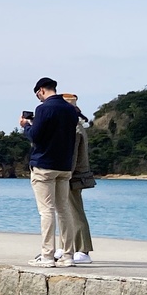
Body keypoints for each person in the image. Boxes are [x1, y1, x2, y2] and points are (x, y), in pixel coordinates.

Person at [20, 77, 79, 268]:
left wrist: (26, 126)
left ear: (41, 91)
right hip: (64, 165)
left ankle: (47, 256)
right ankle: (68, 255)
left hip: (44, 165)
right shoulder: (71, 110)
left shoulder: (44, 109)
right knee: (64, 210)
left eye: (38, 94)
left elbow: (35, 136)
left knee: (46, 211)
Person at [57, 93, 95, 264]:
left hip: (72, 175)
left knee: (74, 212)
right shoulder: (75, 125)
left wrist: (64, 174)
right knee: (67, 211)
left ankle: (82, 249)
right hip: (71, 174)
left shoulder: (74, 128)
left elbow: (72, 156)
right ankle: (68, 246)